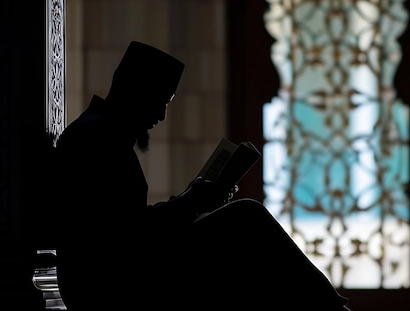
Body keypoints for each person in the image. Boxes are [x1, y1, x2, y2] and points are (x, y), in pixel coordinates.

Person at [52, 41, 351, 310]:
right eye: (162, 101)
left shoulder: (97, 133)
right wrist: (190, 204)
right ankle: (333, 310)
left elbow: (126, 228)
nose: (161, 116)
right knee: (248, 218)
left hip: (111, 280)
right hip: (109, 289)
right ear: (137, 90)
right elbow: (123, 240)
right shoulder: (97, 140)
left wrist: (190, 201)